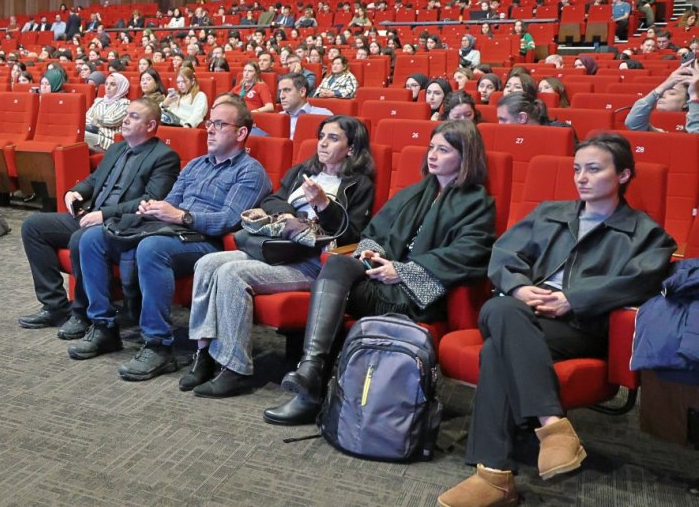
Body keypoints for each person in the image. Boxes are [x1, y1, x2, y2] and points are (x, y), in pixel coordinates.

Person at [438, 134, 676, 507]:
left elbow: (641, 281)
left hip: (578, 326)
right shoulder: (550, 212)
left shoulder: (646, 235)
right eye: (577, 169)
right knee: (503, 309)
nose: (582, 177)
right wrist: (519, 288)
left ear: (624, 175)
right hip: (520, 309)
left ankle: (494, 477)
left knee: (496, 350)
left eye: (594, 169)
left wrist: (573, 299)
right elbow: (503, 253)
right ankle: (552, 426)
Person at [264, 120, 497, 425]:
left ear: (465, 156)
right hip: (382, 281)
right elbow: (374, 233)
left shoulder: (478, 203)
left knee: (334, 289)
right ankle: (311, 374)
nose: (432, 155)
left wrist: (402, 271)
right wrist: (373, 254)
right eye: (431, 147)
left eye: (444, 150)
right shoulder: (416, 192)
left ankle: (310, 387)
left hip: (416, 295)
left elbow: (468, 252)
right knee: (337, 266)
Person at [69, 101, 271, 381]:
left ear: (241, 133)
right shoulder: (197, 165)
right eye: (209, 123)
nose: (210, 130)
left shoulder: (249, 171)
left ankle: (158, 345)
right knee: (93, 238)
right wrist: (153, 209)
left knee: (151, 248)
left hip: (206, 241)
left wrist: (181, 216)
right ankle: (103, 326)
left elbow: (228, 220)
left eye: (220, 124)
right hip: (169, 231)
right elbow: (171, 200)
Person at [183, 116, 375, 397]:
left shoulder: (358, 185)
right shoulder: (303, 171)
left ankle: (234, 368)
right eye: (322, 136)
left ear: (351, 148)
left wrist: (323, 205)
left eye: (333, 138)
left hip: (310, 263)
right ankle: (204, 355)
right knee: (207, 263)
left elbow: (351, 235)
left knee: (231, 273)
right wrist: (290, 216)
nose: (323, 143)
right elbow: (271, 200)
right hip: (277, 248)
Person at [18, 99, 181, 333]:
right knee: (33, 226)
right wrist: (76, 192)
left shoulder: (164, 157)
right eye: (126, 114)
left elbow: (150, 200)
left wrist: (103, 215)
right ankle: (55, 306)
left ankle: (82, 312)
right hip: (92, 215)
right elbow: (95, 180)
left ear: (150, 125)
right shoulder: (116, 148)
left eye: (134, 116)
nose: (125, 120)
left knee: (81, 238)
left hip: (122, 224)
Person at [625, 61, 698, 133]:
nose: (662, 95)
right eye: (663, 91)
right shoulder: (656, 131)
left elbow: (695, 136)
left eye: (671, 93)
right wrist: (664, 85)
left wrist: (694, 94)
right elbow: (632, 124)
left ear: (687, 102)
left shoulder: (693, 128)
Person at [84, 72, 131, 152]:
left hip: (109, 140)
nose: (108, 87)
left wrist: (94, 120)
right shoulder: (98, 101)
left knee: (80, 136)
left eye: (113, 84)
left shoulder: (125, 104)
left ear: (121, 87)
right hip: (91, 132)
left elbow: (112, 120)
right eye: (106, 84)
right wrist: (100, 121)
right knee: (76, 135)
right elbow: (86, 118)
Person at [278, 74, 333, 138]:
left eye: (287, 90)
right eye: (280, 91)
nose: (281, 96)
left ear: (302, 92)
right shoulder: (278, 118)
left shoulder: (324, 116)